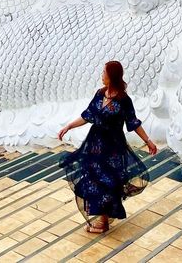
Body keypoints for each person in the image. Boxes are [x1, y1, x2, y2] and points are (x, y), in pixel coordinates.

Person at [58, 60, 158, 234]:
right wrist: (69, 126)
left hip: (112, 147)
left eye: (104, 72)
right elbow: (88, 116)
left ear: (112, 76)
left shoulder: (123, 100)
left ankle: (103, 223)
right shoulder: (100, 93)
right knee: (94, 179)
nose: (102, 75)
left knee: (108, 181)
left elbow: (133, 123)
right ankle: (102, 220)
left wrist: (148, 141)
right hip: (95, 144)